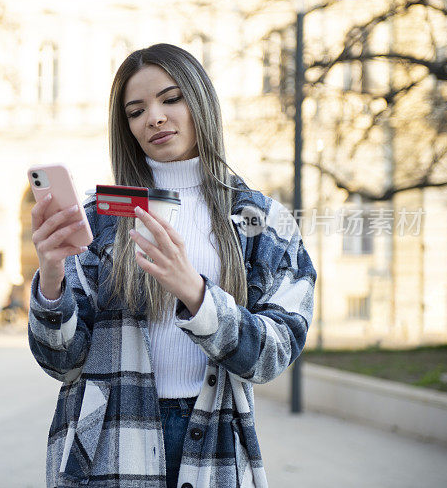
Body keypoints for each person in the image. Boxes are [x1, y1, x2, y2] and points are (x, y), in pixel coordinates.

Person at [28, 43, 316, 488]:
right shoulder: (102, 215)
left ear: (199, 99)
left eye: (171, 98)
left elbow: (275, 353)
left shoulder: (260, 220)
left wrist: (196, 294)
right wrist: (50, 276)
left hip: (215, 436)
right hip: (110, 440)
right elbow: (60, 360)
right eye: (136, 110)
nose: (155, 118)